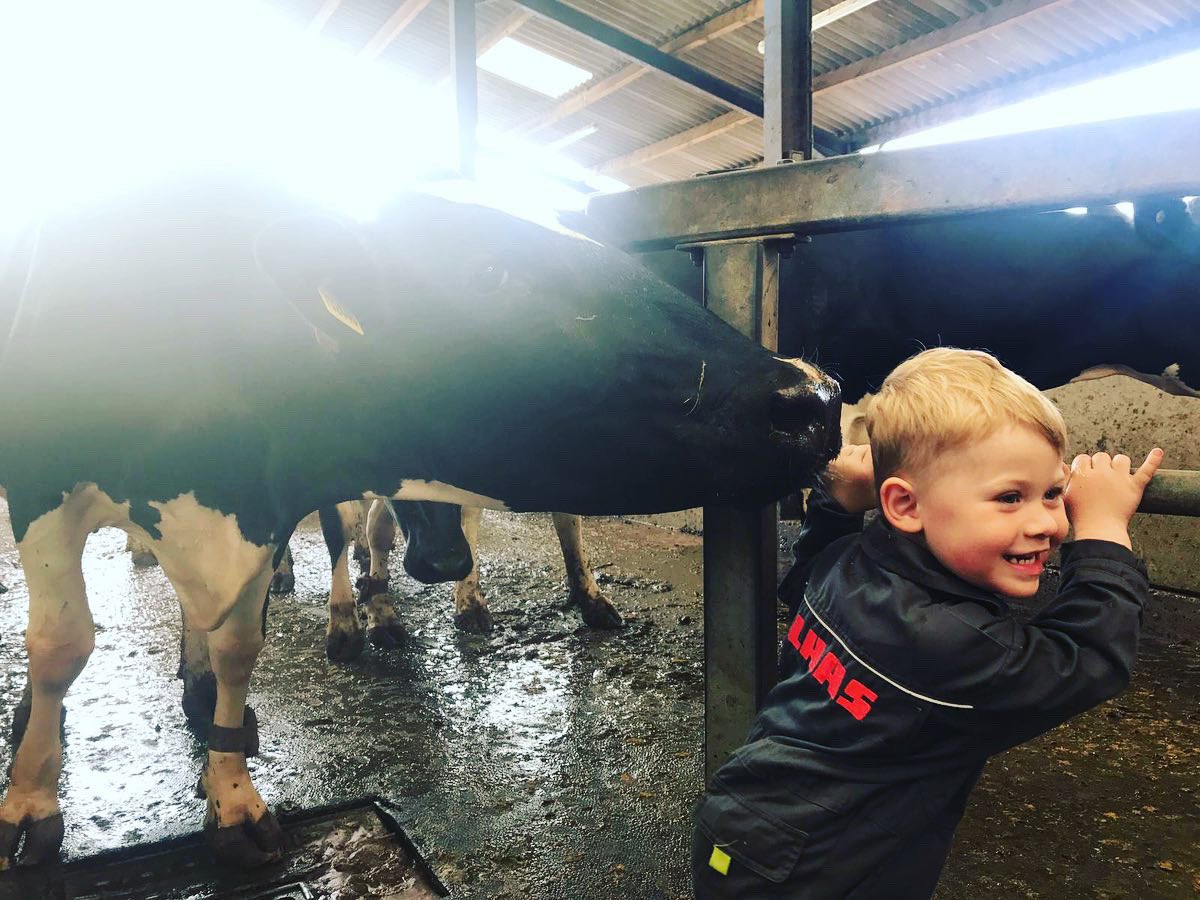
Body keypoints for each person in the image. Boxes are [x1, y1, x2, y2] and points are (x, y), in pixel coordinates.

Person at [691, 347, 1163, 899]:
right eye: (1010, 497)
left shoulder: (848, 564)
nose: (1048, 524)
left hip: (740, 822)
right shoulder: (951, 643)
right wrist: (1103, 531)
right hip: (816, 872)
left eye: (1055, 492)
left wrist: (837, 505)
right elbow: (1088, 660)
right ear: (906, 505)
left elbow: (804, 583)